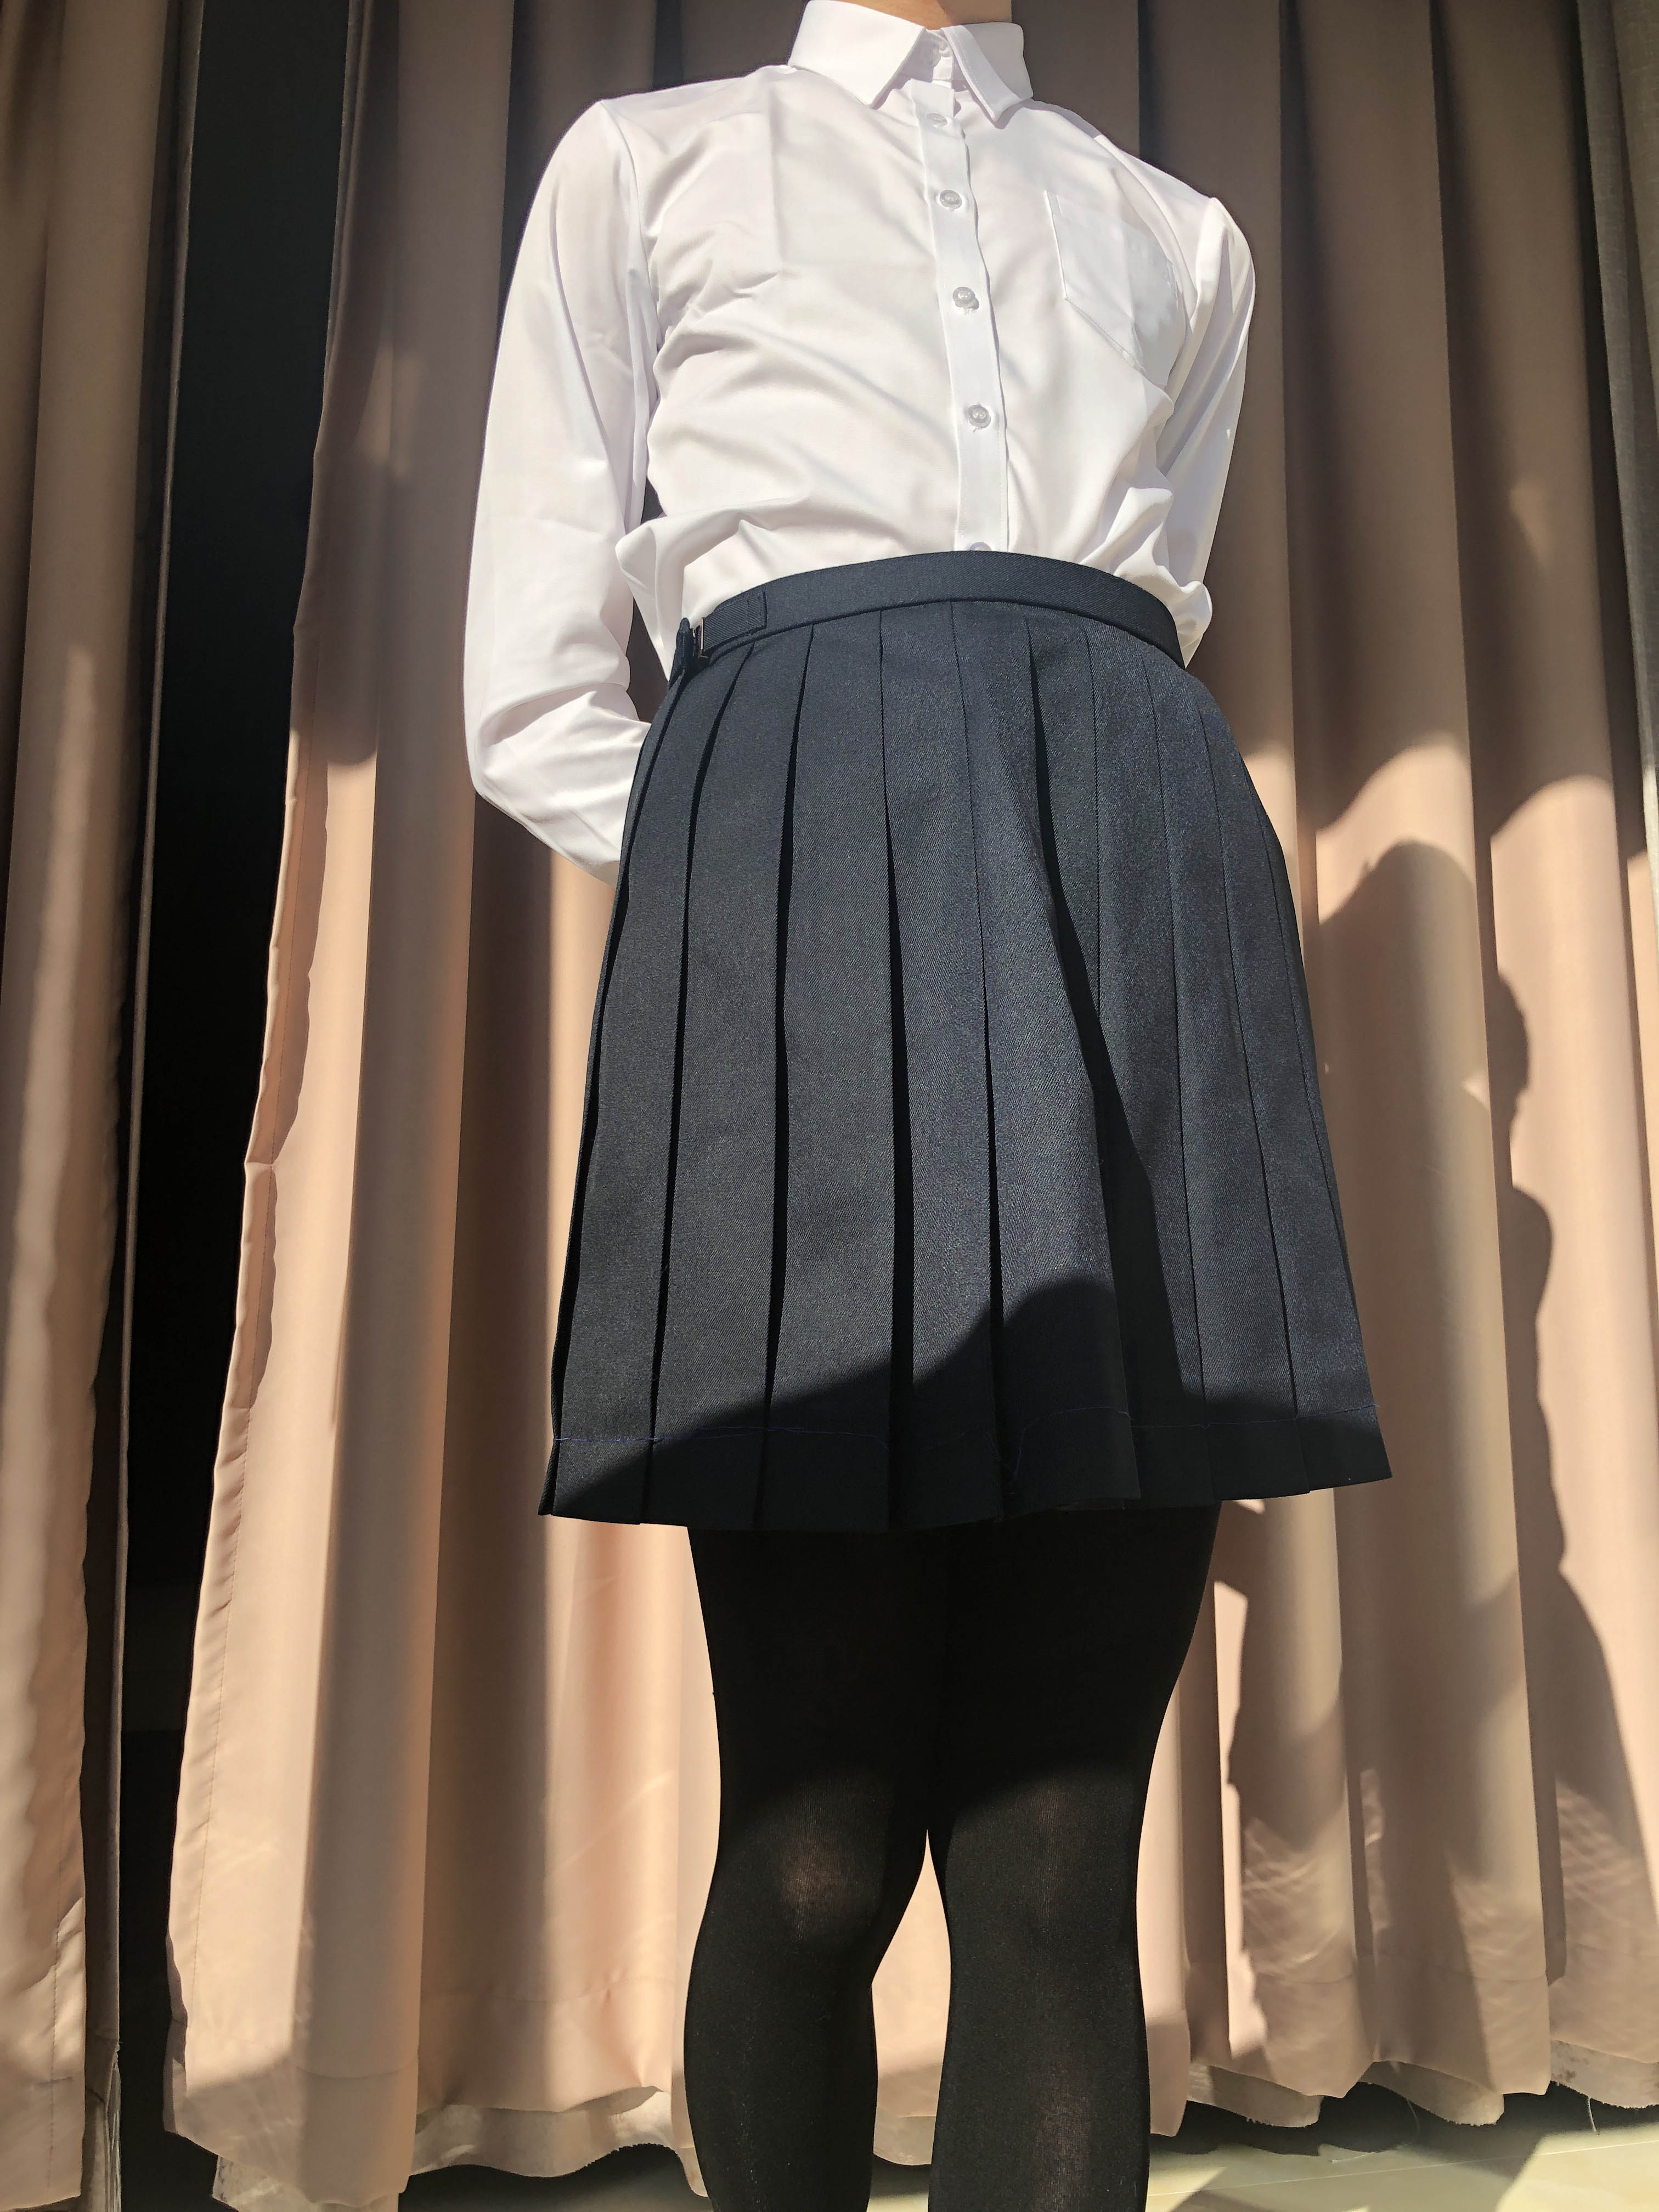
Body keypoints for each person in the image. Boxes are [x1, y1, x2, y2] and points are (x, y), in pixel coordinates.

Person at [463, 2, 1390, 2204]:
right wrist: (763, 890)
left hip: (1132, 935)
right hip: (798, 958)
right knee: (816, 1837)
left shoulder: (1181, 236)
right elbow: (531, 689)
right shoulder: (648, 167)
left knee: (1059, 1845)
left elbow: (1139, 618)